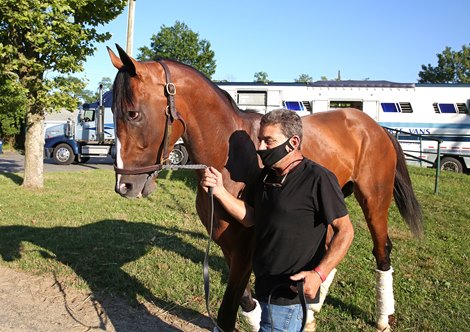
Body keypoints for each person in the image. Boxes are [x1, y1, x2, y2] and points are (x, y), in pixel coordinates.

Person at [201, 109, 354, 332]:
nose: (260, 148)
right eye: (260, 140)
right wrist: (221, 192)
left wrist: (319, 274)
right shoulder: (265, 177)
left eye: (268, 141)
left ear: (293, 143)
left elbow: (345, 231)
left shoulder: (318, 178)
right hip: (265, 286)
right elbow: (252, 218)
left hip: (288, 294)